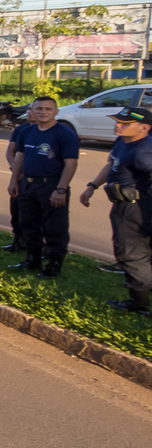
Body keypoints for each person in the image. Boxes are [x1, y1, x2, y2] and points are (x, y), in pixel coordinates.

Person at [79, 106, 152, 315]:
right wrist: (92, 186)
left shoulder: (144, 150)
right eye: (117, 121)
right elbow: (112, 165)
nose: (118, 125)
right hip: (124, 204)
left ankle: (138, 304)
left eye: (125, 124)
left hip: (136, 207)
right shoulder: (123, 141)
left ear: (144, 127)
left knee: (132, 254)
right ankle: (144, 287)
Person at [7, 96, 79, 279]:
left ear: (56, 112)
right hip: (28, 185)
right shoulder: (27, 132)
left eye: (48, 109)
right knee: (28, 224)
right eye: (39, 109)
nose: (43, 112)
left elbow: (70, 164)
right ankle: (32, 259)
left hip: (52, 185)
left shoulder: (65, 133)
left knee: (55, 227)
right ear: (32, 110)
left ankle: (53, 265)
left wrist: (61, 189)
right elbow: (20, 157)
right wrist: (14, 180)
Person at [1, 115, 37, 253]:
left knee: (35, 217)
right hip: (21, 178)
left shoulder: (55, 132)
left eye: (33, 109)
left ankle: (35, 246)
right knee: (16, 211)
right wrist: (14, 167)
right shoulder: (22, 130)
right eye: (30, 109)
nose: (30, 112)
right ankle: (18, 241)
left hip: (38, 180)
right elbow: (12, 151)